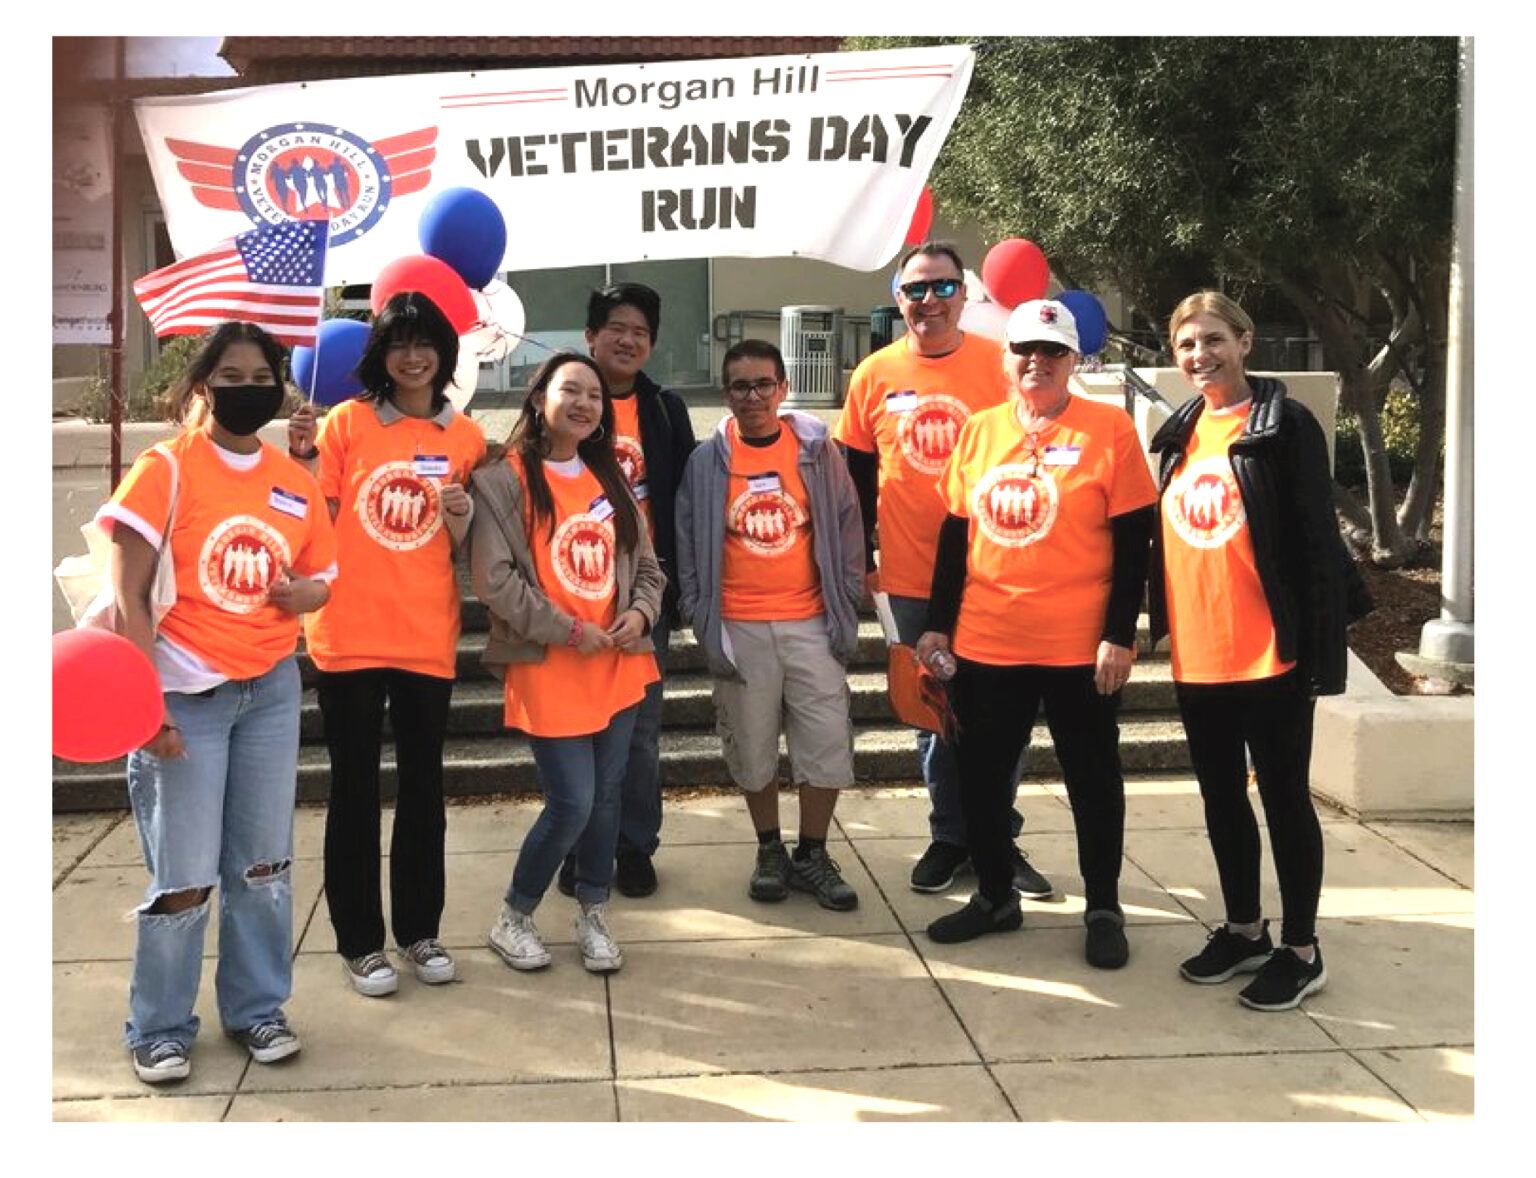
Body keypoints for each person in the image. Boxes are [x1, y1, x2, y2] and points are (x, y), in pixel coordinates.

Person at [97, 321, 337, 1085]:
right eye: (229, 376)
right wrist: (148, 710)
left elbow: (322, 575)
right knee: (185, 877)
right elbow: (128, 596)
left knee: (263, 868)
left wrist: (306, 593)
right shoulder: (165, 469)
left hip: (268, 690)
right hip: (183, 698)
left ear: (278, 382)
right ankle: (160, 1026)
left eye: (258, 374)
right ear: (204, 386)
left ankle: (257, 1009)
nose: (246, 387)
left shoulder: (294, 481)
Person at [914, 299, 1156, 965]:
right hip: (987, 642)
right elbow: (956, 537)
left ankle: (1104, 906)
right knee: (982, 779)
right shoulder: (981, 431)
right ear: (1006, 357)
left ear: (1074, 362)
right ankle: (995, 894)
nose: (1037, 362)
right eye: (1026, 349)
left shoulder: (1109, 430)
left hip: (1079, 647)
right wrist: (937, 626)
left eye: (1053, 351)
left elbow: (1136, 542)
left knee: (1094, 778)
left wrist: (1120, 635)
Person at [1148, 291, 1358, 1011]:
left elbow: (1315, 547)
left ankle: (1301, 949)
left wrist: (1320, 658)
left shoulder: (1284, 426)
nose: (1199, 356)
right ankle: (1244, 929)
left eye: (1213, 340)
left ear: (1245, 342)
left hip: (1270, 652)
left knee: (1282, 800)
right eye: (1185, 345)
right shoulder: (1179, 433)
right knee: (1219, 800)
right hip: (1199, 654)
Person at [834, 241, 1052, 901]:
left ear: (965, 293)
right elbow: (854, 476)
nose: (929, 300)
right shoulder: (873, 374)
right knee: (932, 714)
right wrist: (861, 560)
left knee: (999, 716)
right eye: (915, 289)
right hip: (907, 580)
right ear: (898, 300)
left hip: (997, 573)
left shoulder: (1001, 367)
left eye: (942, 287)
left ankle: (999, 839)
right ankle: (951, 836)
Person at [289, 292, 487, 999]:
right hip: (347, 633)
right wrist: (301, 458)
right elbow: (319, 520)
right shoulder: (345, 424)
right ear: (382, 353)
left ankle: (419, 931)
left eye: (425, 341)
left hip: (426, 634)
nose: (413, 355)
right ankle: (360, 942)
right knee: (353, 792)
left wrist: (462, 517)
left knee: (424, 789)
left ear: (443, 352)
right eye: (400, 342)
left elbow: (470, 548)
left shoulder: (464, 439)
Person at [467, 352, 663, 973]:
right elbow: (495, 583)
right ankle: (514, 915)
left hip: (620, 661)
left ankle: (593, 912)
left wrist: (640, 615)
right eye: (570, 391)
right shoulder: (502, 480)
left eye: (595, 397)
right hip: (552, 663)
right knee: (572, 802)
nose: (584, 404)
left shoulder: (610, 479)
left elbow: (649, 569)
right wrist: (569, 630)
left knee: (607, 798)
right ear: (539, 398)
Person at [676, 339, 864, 911]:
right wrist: (698, 611)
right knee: (752, 746)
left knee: (826, 743)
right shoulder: (706, 462)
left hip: (811, 622)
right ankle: (769, 848)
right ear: (725, 393)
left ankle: (812, 851)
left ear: (782, 389)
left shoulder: (816, 452)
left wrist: (846, 596)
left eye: (763, 384)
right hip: (740, 626)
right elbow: (686, 539)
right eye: (740, 386)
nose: (753, 396)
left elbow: (848, 522)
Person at [554, 282, 696, 899]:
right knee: (575, 728)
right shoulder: (567, 402)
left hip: (643, 595)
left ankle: (635, 845)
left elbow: (688, 502)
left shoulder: (665, 409)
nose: (628, 339)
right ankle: (577, 843)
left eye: (641, 331)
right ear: (590, 335)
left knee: (638, 728)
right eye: (616, 326)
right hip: (572, 589)